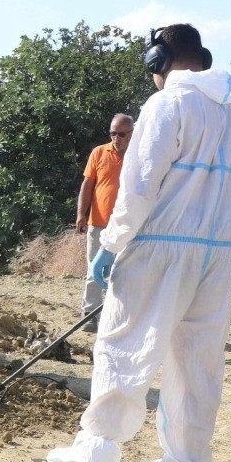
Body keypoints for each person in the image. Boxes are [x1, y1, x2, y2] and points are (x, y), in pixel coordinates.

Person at [46, 24, 231, 462]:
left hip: (157, 248)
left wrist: (111, 245)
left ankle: (95, 457)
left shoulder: (167, 105)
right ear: (204, 57)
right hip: (214, 258)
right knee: (197, 366)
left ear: (159, 61)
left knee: (124, 347)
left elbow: (139, 188)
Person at [76, 114, 134, 331]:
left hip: (127, 226)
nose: (116, 138)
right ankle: (89, 314)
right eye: (112, 133)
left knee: (123, 273)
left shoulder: (139, 155)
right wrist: (81, 214)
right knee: (95, 270)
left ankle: (118, 317)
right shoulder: (98, 152)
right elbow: (87, 184)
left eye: (122, 134)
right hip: (99, 223)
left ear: (132, 134)